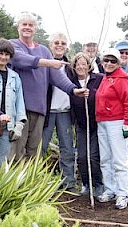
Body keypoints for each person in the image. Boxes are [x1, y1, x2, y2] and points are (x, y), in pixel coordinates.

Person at [8, 12, 89, 163]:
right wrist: (48, 62)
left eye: (30, 25)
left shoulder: (44, 51)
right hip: (19, 109)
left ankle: (31, 183)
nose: (27, 27)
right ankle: (15, 184)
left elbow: (56, 76)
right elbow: (20, 59)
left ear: (35, 29)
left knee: (34, 150)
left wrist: (73, 89)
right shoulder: (13, 45)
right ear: (18, 27)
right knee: (17, 149)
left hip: (39, 109)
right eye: (24, 24)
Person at [95, 48, 128, 209]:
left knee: (119, 159)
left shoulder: (122, 78)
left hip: (117, 122)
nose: (109, 64)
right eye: (106, 60)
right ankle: (110, 189)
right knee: (105, 159)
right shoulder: (105, 77)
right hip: (102, 121)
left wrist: (127, 122)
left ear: (118, 63)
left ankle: (122, 193)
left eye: (113, 61)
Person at [42, 32, 76, 191]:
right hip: (47, 112)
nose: (59, 45)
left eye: (63, 43)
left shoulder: (70, 66)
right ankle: (37, 181)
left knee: (67, 148)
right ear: (50, 45)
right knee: (40, 147)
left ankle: (68, 182)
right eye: (56, 42)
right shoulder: (44, 64)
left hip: (65, 112)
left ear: (66, 46)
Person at [0, 38, 27, 165]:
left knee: (3, 162)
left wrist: (19, 125)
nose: (3, 57)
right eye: (0, 53)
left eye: (6, 54)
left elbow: (19, 101)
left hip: (7, 127)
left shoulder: (14, 77)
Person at [69, 52, 104, 196]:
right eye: (77, 64)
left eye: (84, 64)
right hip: (82, 125)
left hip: (97, 124)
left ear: (89, 66)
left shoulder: (98, 79)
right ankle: (86, 184)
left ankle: (98, 184)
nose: (80, 67)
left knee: (93, 156)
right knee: (82, 157)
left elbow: (105, 94)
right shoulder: (71, 82)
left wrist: (93, 93)